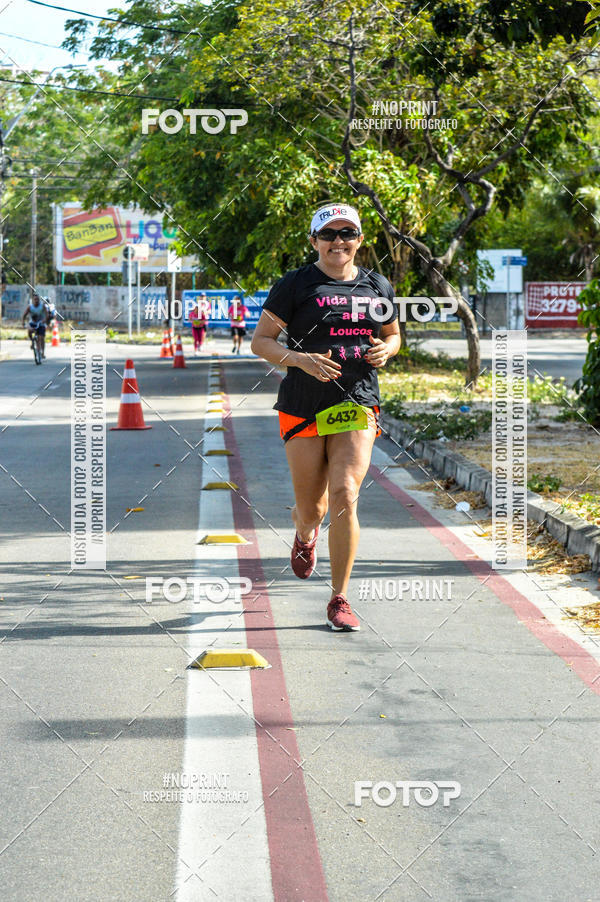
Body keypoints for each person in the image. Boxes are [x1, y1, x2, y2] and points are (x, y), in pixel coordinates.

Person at [251, 203, 400, 631]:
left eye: (347, 233)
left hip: (356, 401)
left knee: (345, 495)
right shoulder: (296, 284)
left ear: (360, 240)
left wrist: (386, 350)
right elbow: (262, 342)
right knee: (311, 507)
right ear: (314, 240)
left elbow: (392, 336)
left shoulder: (377, 285)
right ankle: (304, 534)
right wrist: (300, 359)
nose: (339, 242)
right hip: (302, 405)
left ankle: (339, 598)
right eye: (329, 234)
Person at [22, 291, 52, 359]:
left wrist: (45, 320)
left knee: (41, 338)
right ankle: (32, 341)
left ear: (39, 300)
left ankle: (42, 353)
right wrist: (23, 322)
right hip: (33, 322)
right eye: (35, 299)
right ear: (33, 300)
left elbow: (47, 314)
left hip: (41, 323)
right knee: (29, 331)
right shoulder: (30, 307)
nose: (36, 301)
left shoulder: (42, 306)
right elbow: (24, 315)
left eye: (37, 299)